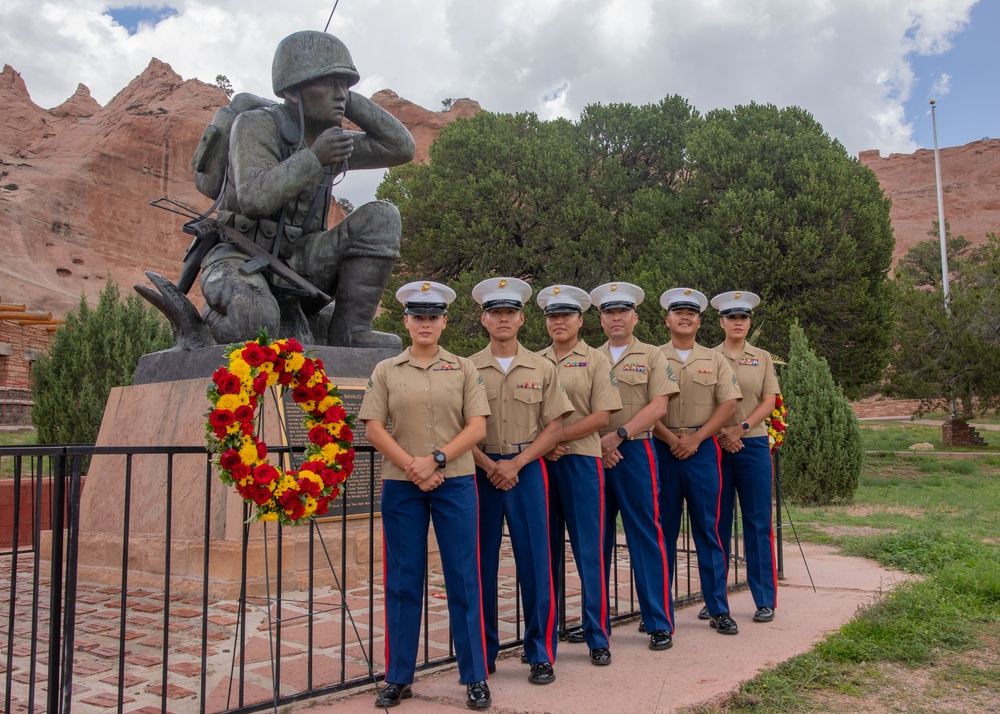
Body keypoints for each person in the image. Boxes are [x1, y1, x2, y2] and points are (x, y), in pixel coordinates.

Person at [199, 30, 416, 347]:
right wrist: (314, 158)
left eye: (344, 84)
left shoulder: (328, 138)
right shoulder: (256, 124)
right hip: (238, 255)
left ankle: (351, 331)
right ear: (292, 88)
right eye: (329, 83)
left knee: (383, 216)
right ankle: (222, 315)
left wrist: (346, 98)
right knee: (255, 320)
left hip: (301, 261)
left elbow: (400, 148)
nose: (340, 93)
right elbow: (254, 199)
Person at [358, 281, 492, 709]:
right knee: (402, 580)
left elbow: (477, 427)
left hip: (454, 481)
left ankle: (474, 676)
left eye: (433, 317)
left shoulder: (464, 368)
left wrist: (434, 460)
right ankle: (398, 677)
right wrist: (413, 467)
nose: (426, 324)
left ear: (444, 322)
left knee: (464, 579)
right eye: (418, 317)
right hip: (402, 486)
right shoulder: (386, 370)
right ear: (407, 321)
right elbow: (374, 427)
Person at [469, 278, 574, 685]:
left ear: (522, 318)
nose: (503, 319)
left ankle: (540, 652)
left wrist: (517, 463)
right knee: (480, 564)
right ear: (484, 318)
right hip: (480, 471)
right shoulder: (466, 368)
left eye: (510, 312)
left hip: (528, 469)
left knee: (536, 562)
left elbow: (555, 426)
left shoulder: (543, 367)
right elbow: (459, 425)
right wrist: (488, 463)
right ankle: (483, 651)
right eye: (495, 312)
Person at [536, 285, 622, 666]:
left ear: (580, 320)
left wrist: (555, 438)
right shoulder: (534, 361)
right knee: (544, 552)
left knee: (589, 551)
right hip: (540, 464)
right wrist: (543, 446)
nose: (559, 322)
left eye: (566, 316)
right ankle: (548, 634)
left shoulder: (596, 361)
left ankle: (596, 636)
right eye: (553, 316)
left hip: (581, 461)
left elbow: (602, 416)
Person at [590, 282, 677, 651]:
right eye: (609, 312)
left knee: (645, 534)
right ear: (601, 319)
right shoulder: (589, 357)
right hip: (591, 454)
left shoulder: (653, 356)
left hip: (636, 451)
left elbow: (659, 406)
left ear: (635, 316)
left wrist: (619, 435)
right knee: (594, 540)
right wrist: (601, 443)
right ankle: (597, 623)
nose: (616, 318)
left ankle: (657, 620)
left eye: (622, 311)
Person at [652, 288, 741, 635]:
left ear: (700, 320)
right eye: (678, 312)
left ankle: (718, 607)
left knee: (709, 530)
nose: (685, 317)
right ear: (667, 320)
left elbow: (729, 405)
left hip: (702, 451)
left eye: (691, 312)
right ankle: (660, 612)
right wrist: (673, 439)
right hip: (663, 447)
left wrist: (696, 438)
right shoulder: (652, 356)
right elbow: (647, 406)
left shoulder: (715, 359)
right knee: (663, 532)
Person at [710, 291, 781, 624]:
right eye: (732, 318)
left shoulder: (762, 357)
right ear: (721, 322)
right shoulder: (708, 357)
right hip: (716, 446)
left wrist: (741, 428)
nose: (738, 323)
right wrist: (724, 433)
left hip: (751, 444)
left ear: (749, 322)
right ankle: (716, 600)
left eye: (743, 318)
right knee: (716, 524)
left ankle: (764, 599)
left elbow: (769, 400)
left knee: (757, 523)